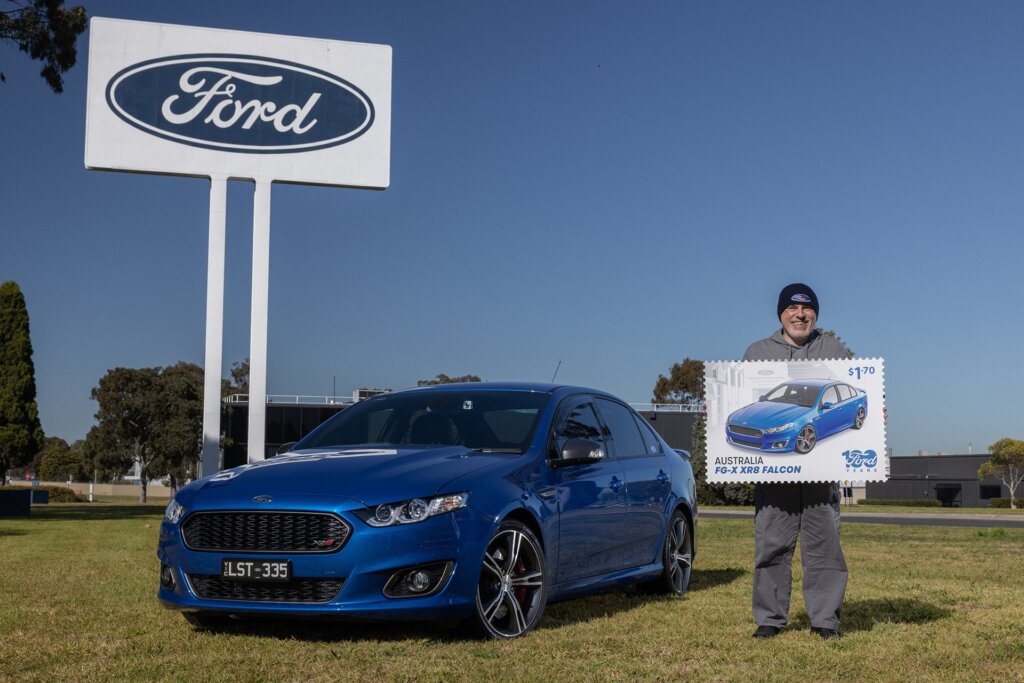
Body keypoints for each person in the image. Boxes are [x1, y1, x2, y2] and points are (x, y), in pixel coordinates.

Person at [743, 282, 849, 641]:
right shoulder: (756, 353)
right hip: (773, 473)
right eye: (792, 308)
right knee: (771, 541)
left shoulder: (835, 350)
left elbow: (858, 390)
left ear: (815, 314)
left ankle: (825, 621)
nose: (799, 315)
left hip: (822, 471)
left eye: (807, 309)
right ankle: (769, 619)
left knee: (824, 544)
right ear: (781, 313)